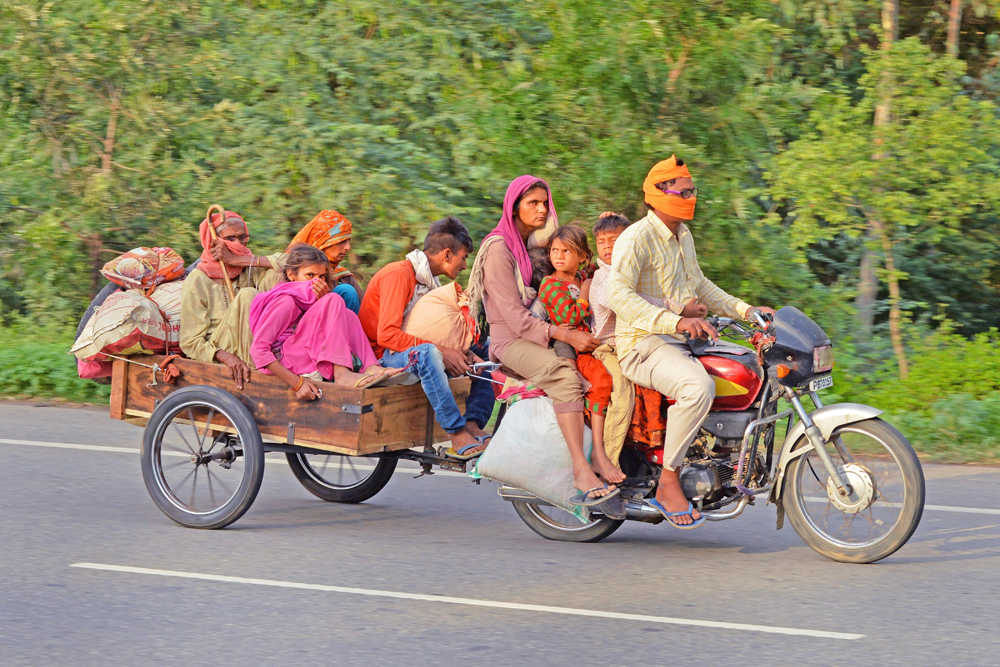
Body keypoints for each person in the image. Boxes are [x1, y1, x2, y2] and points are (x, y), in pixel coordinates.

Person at [607, 156, 775, 528]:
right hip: (642, 343)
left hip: (680, 340)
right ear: (658, 194)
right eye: (683, 191)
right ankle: (668, 482)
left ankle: (720, 462)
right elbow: (617, 296)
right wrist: (677, 321)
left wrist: (747, 311)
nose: (691, 197)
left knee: (748, 369)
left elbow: (701, 286)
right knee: (697, 386)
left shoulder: (683, 236)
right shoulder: (636, 238)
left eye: (692, 190)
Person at [467, 176, 625, 505]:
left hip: (541, 333)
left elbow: (573, 254)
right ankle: (582, 468)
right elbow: (514, 318)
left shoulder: (533, 246)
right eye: (532, 204)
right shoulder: (499, 250)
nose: (542, 209)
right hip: (511, 341)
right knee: (567, 378)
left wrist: (608, 228)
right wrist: (566, 334)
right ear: (514, 208)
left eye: (544, 202)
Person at [358, 216, 496, 458]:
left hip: (407, 348)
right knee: (429, 352)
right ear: (446, 255)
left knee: (486, 347)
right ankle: (455, 431)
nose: (464, 266)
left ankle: (473, 422)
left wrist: (464, 351)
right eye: (463, 258)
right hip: (381, 357)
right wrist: (443, 351)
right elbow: (387, 335)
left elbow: (430, 331)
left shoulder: (429, 282)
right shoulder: (399, 274)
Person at [589, 212, 704, 466]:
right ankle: (605, 461)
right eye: (602, 241)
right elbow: (634, 302)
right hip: (609, 348)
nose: (608, 246)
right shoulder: (606, 277)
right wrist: (678, 309)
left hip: (636, 342)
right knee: (622, 395)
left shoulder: (628, 269)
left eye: (614, 239)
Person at [248, 244, 407, 399]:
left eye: (321, 277)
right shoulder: (286, 302)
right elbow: (258, 351)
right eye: (310, 275)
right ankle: (342, 374)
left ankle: (371, 367)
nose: (317, 282)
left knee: (347, 314)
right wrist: (297, 384)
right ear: (291, 275)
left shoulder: (304, 299)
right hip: (285, 362)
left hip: (299, 352)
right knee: (334, 299)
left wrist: (321, 300)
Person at [534, 225, 619, 483]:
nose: (558, 256)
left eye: (567, 251)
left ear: (582, 256)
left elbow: (603, 259)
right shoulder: (551, 284)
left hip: (594, 342)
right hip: (573, 347)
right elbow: (569, 317)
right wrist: (584, 291)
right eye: (554, 251)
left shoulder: (583, 273)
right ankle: (597, 453)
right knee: (602, 381)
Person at [180, 209, 286, 390]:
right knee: (248, 295)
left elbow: (291, 262)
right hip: (221, 346)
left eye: (242, 237)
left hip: (256, 342)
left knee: (279, 276)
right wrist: (225, 356)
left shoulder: (249, 268)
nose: (238, 243)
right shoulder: (197, 280)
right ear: (212, 243)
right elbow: (190, 342)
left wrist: (237, 260)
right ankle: (261, 367)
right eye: (230, 239)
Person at [288, 210, 365, 313]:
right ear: (323, 242)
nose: (348, 247)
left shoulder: (344, 276)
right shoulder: (294, 269)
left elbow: (365, 308)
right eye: (341, 241)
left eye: (322, 276)